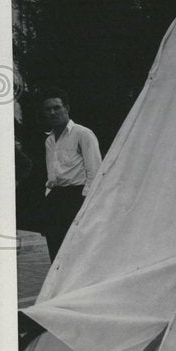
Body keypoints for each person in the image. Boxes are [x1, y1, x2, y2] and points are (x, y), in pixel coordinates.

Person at [40, 87, 102, 262]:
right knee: (55, 249)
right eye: (48, 109)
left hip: (76, 197)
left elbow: (95, 170)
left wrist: (86, 202)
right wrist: (48, 193)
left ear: (66, 108)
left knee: (76, 253)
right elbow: (51, 172)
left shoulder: (83, 134)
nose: (52, 112)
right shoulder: (49, 140)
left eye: (56, 107)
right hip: (55, 199)